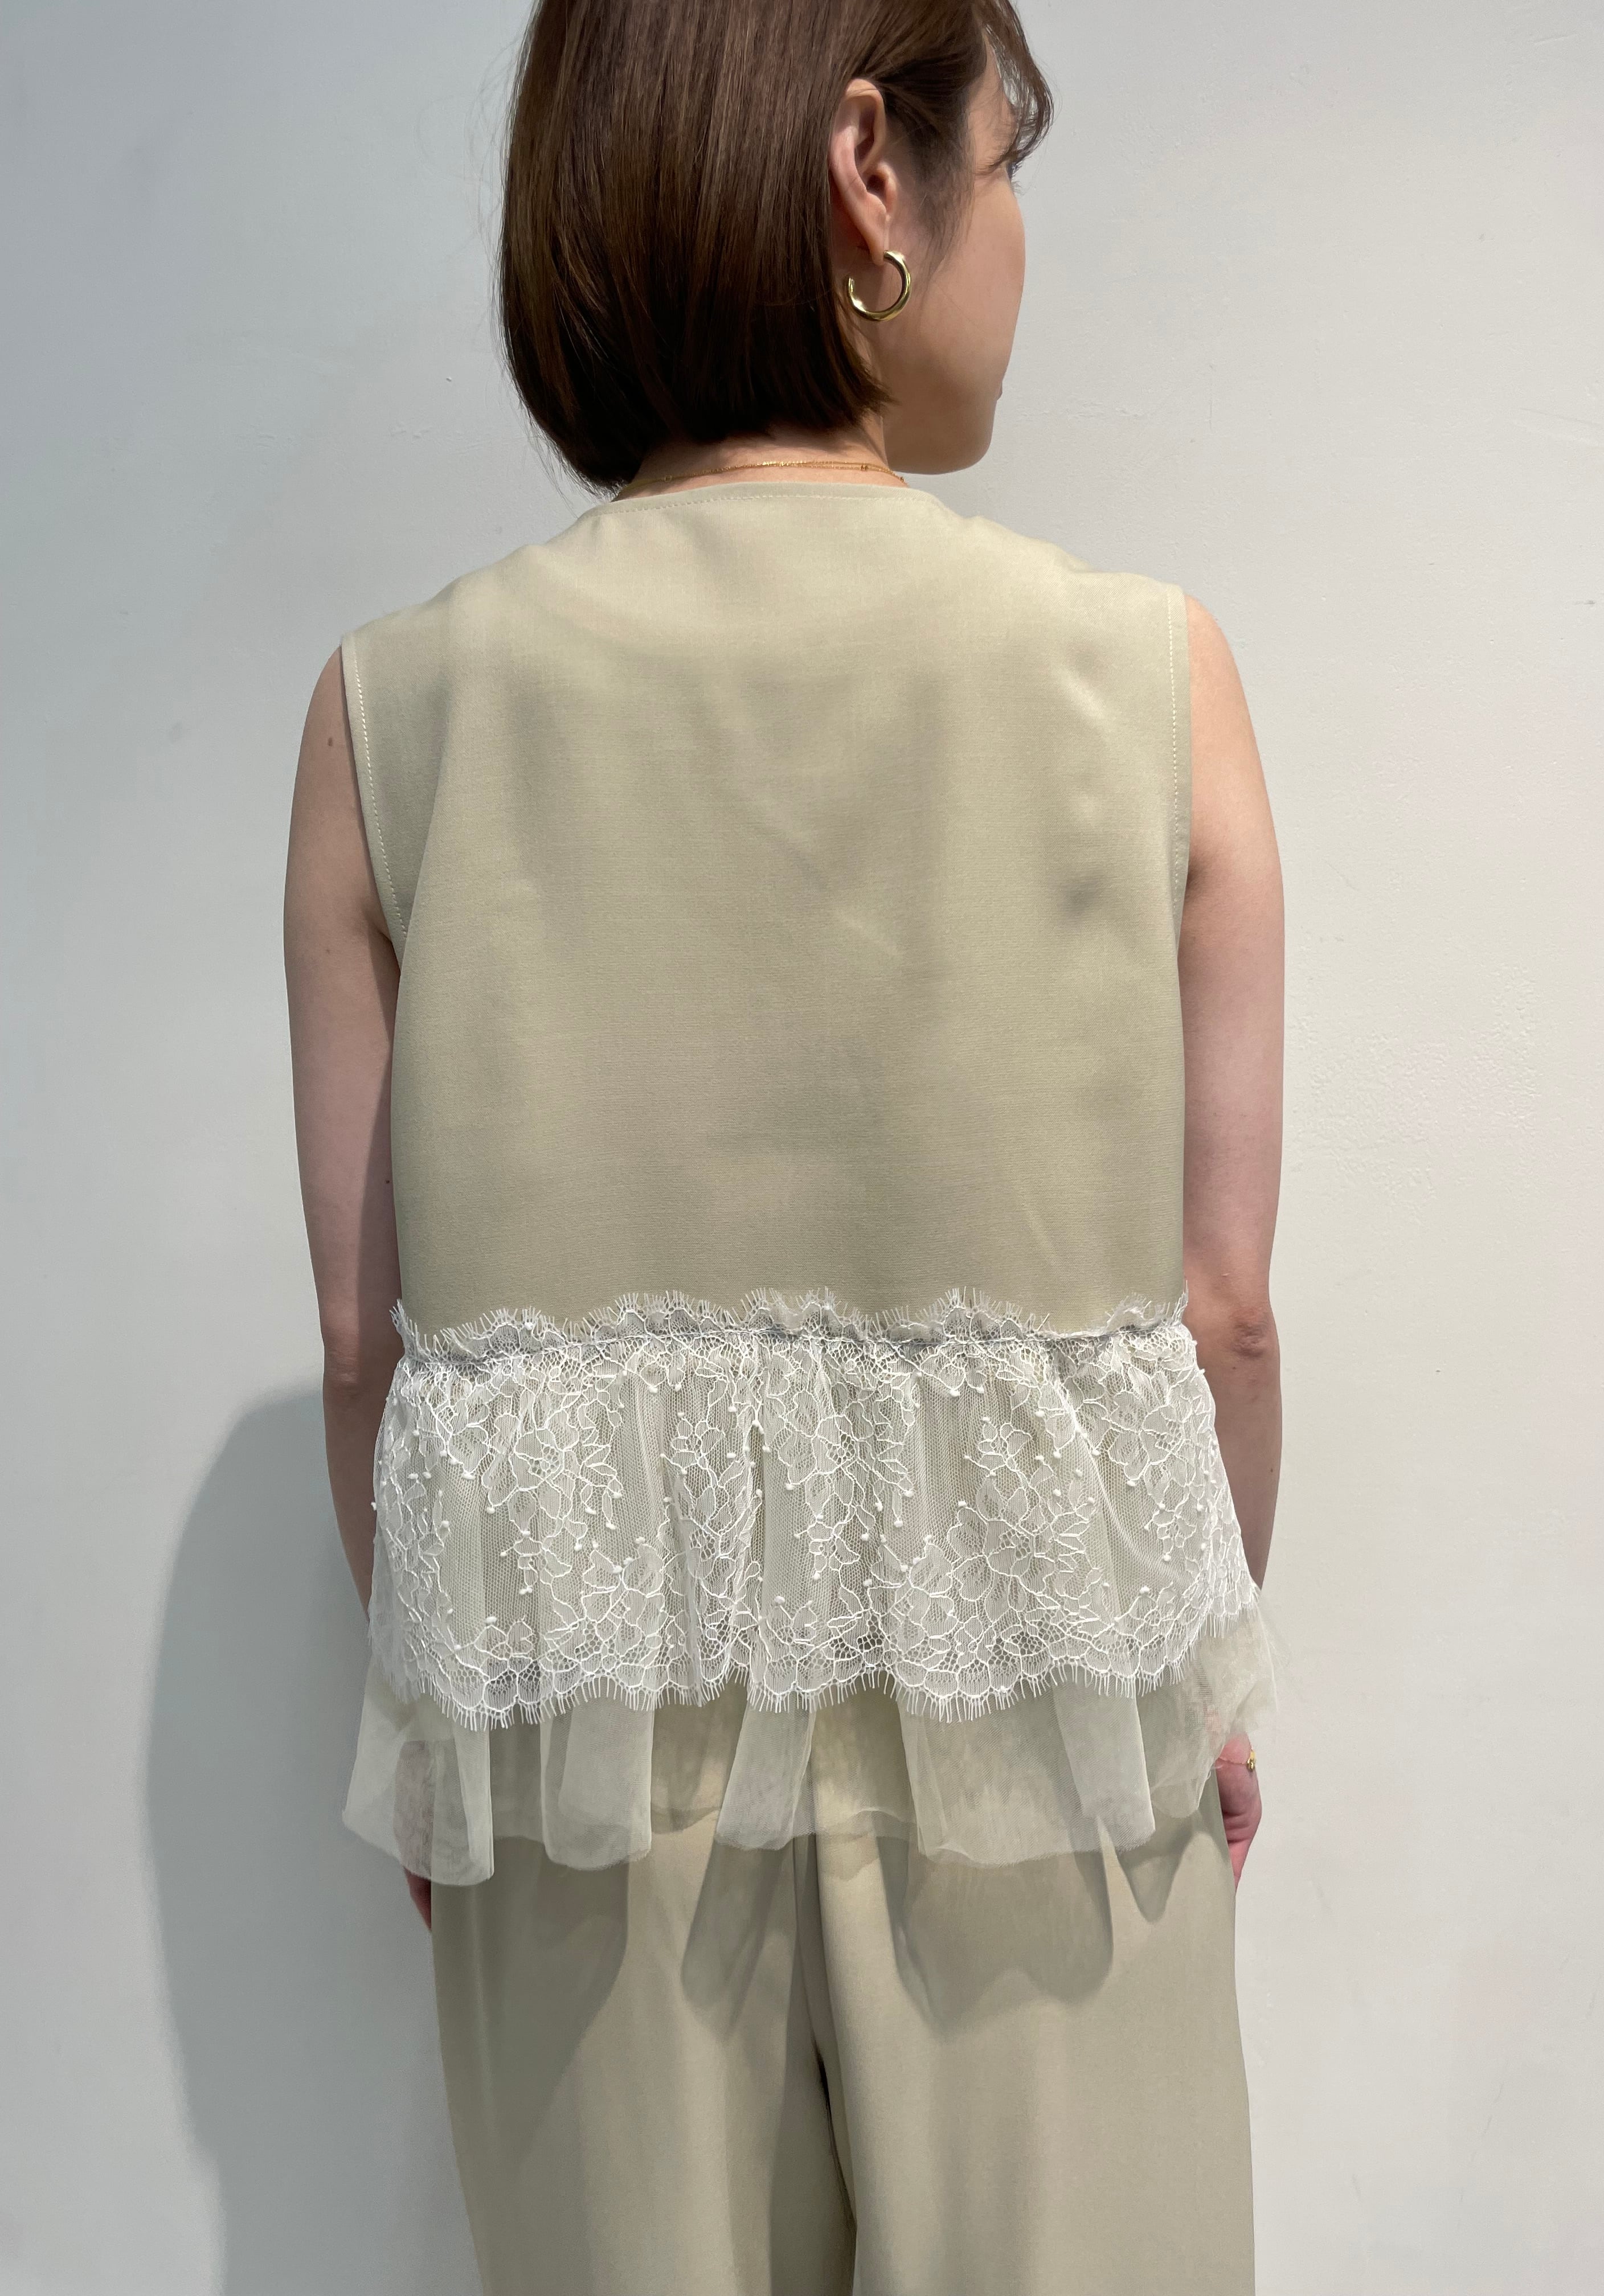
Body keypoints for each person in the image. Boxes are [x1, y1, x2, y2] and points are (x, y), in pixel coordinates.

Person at [284, 2, 1284, 2288]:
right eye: (1004, 161)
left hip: (590, 1798)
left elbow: (365, 1350)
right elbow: (1224, 1311)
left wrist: (456, 1733)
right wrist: (1194, 1680)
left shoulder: (393, 714)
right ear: (869, 171)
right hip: (1046, 1773)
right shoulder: (1150, 675)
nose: (1015, 235)